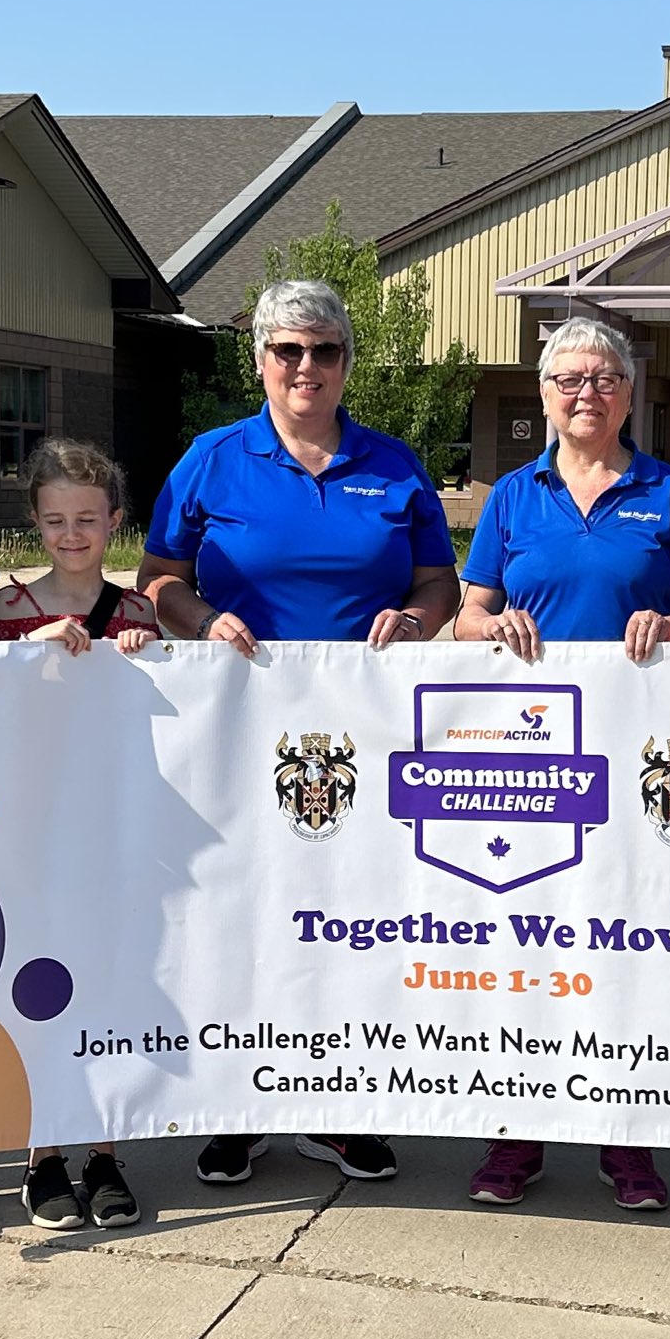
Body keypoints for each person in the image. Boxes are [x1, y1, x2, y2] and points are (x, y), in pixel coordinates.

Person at [136, 278, 459, 1188]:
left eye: (324, 350)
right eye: (287, 349)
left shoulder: (394, 465)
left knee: (356, 916)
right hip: (241, 733)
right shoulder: (210, 458)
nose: (306, 367)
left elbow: (439, 583)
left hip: (371, 731)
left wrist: (420, 618)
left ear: (348, 361)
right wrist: (199, 619)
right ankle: (242, 1104)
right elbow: (157, 576)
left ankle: (340, 1109)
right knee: (245, 914)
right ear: (259, 360)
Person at [454, 316, 670, 1211]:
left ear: (628, 393)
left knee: (624, 945)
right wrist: (490, 625)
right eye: (569, 379)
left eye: (604, 379)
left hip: (633, 752)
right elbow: (465, 614)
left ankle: (627, 1136)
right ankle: (515, 1134)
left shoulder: (668, 489)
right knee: (524, 945)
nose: (586, 393)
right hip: (525, 760)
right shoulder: (511, 495)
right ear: (543, 396)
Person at [0, 438, 156, 1229]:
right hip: (33, 828)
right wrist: (24, 653)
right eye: (55, 520)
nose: (72, 533)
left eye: (88, 518)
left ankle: (105, 1151)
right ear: (34, 525)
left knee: (112, 983)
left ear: (115, 521)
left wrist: (152, 661)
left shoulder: (140, 615)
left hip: (115, 830)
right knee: (40, 986)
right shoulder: (9, 611)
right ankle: (43, 1154)